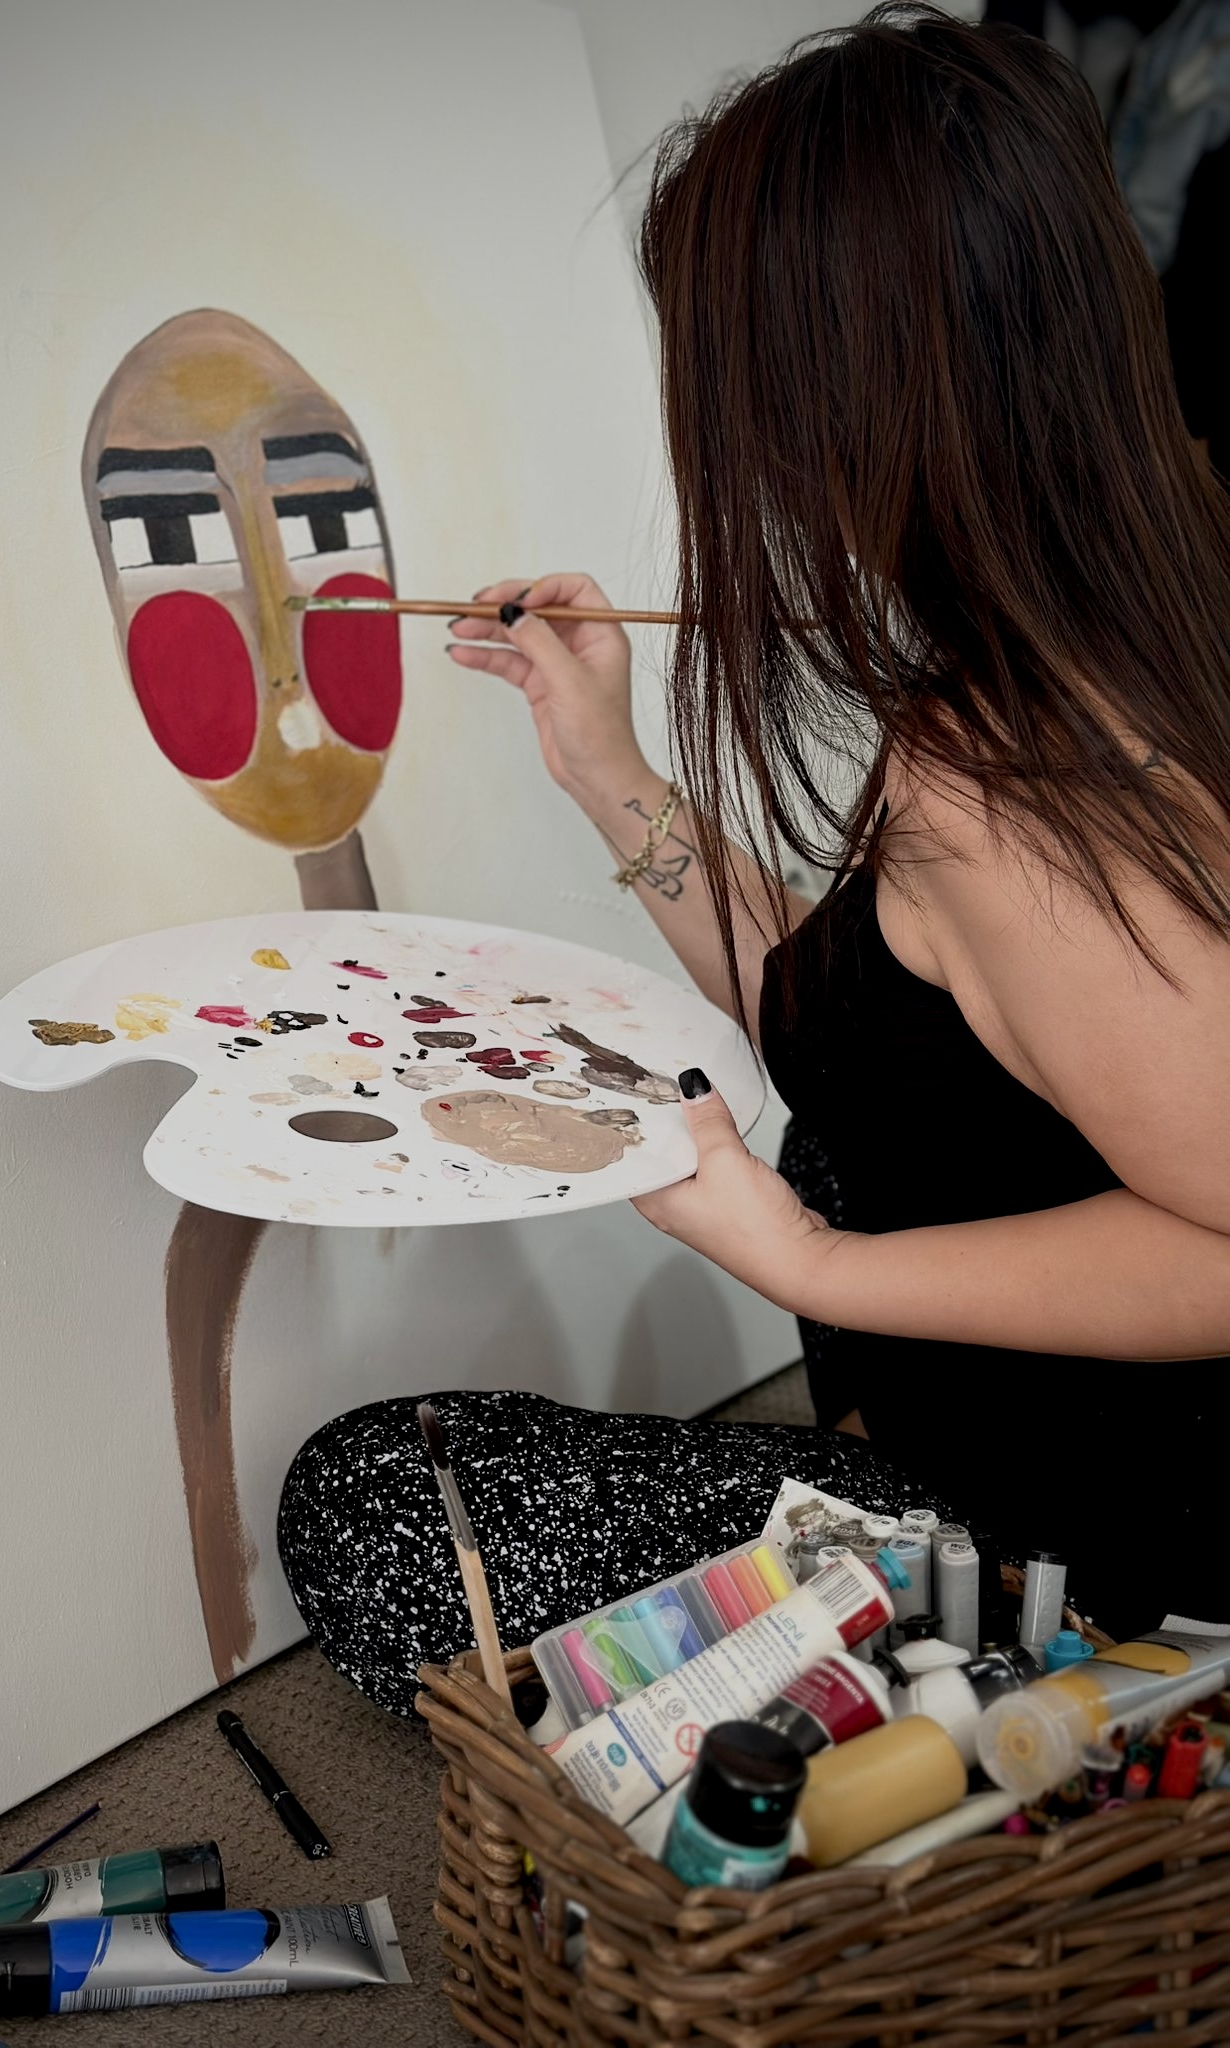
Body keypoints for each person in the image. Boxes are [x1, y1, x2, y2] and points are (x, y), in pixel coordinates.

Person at [278, 3, 1230, 1712]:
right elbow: (890, 1028)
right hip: (1077, 1464)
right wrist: (607, 768)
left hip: (1122, 1561)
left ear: (836, 382)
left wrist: (809, 1263)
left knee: (377, 1507)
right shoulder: (1144, 607)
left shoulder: (997, 781)